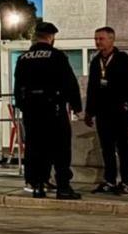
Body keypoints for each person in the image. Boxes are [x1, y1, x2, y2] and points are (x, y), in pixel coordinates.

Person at [14, 22, 83, 201]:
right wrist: (77, 106)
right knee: (60, 148)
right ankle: (63, 187)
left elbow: (18, 87)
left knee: (36, 147)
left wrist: (23, 106)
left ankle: (38, 185)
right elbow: (69, 82)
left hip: (31, 111)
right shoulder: (57, 56)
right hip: (53, 109)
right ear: (51, 37)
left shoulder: (23, 58)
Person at [86, 26, 128, 195]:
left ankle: (126, 180)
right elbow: (92, 88)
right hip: (102, 112)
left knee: (123, 146)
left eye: (101, 39)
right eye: (96, 39)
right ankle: (110, 180)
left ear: (112, 40)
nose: (97, 42)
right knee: (106, 147)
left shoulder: (124, 60)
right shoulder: (96, 61)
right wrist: (89, 111)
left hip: (120, 111)